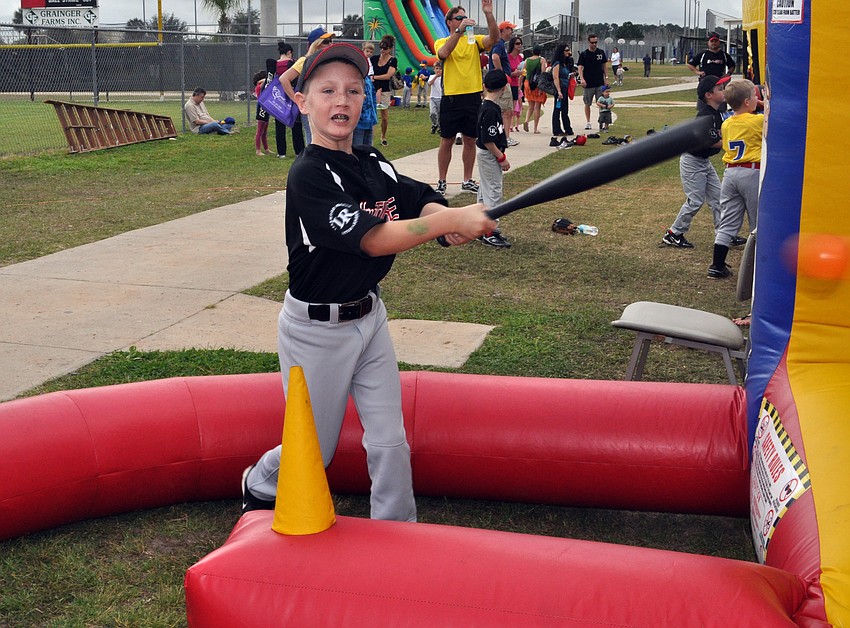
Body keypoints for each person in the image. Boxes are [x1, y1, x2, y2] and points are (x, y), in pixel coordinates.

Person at [240, 43, 497, 522]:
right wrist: (450, 221)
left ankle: (397, 533)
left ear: (365, 101)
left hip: (369, 317)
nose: (342, 101)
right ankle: (259, 483)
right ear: (303, 101)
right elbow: (375, 240)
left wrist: (446, 217)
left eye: (353, 90)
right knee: (316, 449)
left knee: (388, 438)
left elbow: (416, 197)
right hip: (316, 331)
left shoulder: (371, 161)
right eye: (328, 91)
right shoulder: (308, 176)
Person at [432, 0, 500, 196]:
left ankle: (467, 179)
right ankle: (442, 180)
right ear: (450, 22)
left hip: (472, 96)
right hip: (451, 97)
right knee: (447, 140)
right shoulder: (442, 41)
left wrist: (488, 14)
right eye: (459, 18)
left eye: (465, 17)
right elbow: (443, 54)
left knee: (470, 140)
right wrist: (459, 32)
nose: (463, 21)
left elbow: (493, 39)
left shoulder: (474, 40)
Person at [662, 75, 728, 249]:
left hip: (704, 161)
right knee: (695, 200)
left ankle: (724, 234)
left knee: (719, 198)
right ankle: (673, 233)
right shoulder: (705, 116)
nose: (723, 91)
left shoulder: (716, 113)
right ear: (709, 95)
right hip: (692, 161)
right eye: (719, 89)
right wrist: (734, 143)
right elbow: (712, 142)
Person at [708, 79, 763, 279]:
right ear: (748, 102)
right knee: (758, 221)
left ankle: (717, 264)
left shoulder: (727, 123)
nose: (758, 98)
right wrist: (765, 105)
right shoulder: (757, 120)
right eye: (755, 96)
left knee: (728, 221)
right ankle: (759, 270)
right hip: (752, 171)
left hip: (731, 173)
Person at [475, 69, 512, 249]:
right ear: (504, 88)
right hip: (490, 154)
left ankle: (480, 225)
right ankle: (489, 230)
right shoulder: (490, 110)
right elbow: (488, 140)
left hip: (487, 154)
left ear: (484, 86)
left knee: (485, 189)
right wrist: (501, 157)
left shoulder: (489, 106)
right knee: (494, 191)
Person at [281, 27, 335, 146]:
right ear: (316, 45)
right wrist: (296, 100)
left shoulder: (329, 62)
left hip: (327, 106)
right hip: (310, 107)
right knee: (313, 140)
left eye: (331, 41)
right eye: (326, 42)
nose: (330, 44)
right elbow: (284, 79)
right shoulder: (305, 61)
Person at [488, 20, 518, 146]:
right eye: (510, 29)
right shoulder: (499, 44)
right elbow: (495, 57)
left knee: (503, 110)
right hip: (502, 82)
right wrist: (501, 75)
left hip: (501, 81)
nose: (511, 32)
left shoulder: (500, 44)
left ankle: (502, 137)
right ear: (504, 30)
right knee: (506, 111)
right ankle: (505, 138)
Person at [274, 42, 304, 159]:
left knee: (279, 126)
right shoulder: (292, 64)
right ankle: (299, 151)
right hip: (291, 96)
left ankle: (281, 152)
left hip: (278, 97)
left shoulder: (274, 64)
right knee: (296, 124)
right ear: (289, 52)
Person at [577, 34, 609, 131]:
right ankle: (588, 122)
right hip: (588, 84)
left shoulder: (601, 53)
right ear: (588, 42)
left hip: (599, 83)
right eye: (592, 42)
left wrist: (606, 78)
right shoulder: (584, 54)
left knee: (602, 103)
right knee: (587, 103)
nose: (594, 44)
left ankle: (602, 122)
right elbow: (580, 67)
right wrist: (582, 79)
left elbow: (604, 65)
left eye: (596, 42)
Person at [371, 34, 398, 146]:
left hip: (384, 90)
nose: (383, 50)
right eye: (381, 47)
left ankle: (383, 136)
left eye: (385, 48)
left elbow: (388, 75)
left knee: (384, 117)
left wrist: (374, 77)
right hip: (372, 89)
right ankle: (370, 137)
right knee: (371, 114)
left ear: (390, 49)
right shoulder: (374, 59)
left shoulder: (393, 60)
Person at [549, 43, 576, 147]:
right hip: (559, 89)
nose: (568, 52)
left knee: (565, 110)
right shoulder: (557, 64)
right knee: (557, 109)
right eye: (566, 50)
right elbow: (555, 77)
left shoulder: (565, 64)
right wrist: (559, 91)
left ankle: (567, 128)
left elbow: (566, 75)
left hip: (565, 88)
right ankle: (556, 129)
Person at [354, 42, 378, 146]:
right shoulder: (357, 80)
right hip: (359, 120)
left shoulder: (368, 80)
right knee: (358, 146)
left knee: (368, 146)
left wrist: (373, 116)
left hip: (369, 119)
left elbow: (372, 99)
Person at [522, 46, 547, 134]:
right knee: (537, 107)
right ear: (540, 52)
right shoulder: (541, 60)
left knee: (530, 105)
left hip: (528, 83)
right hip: (537, 84)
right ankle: (535, 128)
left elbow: (524, 72)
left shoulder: (527, 60)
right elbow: (543, 73)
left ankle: (526, 120)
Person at [252, 71, 274, 156]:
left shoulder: (264, 84)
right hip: (261, 107)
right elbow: (265, 83)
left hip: (266, 107)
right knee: (260, 131)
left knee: (265, 131)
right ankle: (258, 150)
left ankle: (266, 149)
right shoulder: (260, 85)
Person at [507, 36, 524, 133]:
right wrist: (514, 73)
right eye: (517, 43)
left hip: (515, 84)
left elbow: (521, 70)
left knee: (513, 107)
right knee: (507, 107)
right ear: (512, 45)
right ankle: (507, 126)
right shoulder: (508, 57)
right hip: (508, 83)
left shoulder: (520, 58)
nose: (519, 45)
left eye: (520, 43)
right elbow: (505, 71)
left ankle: (511, 126)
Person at [428, 61, 443, 134]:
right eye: (436, 68)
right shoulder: (432, 76)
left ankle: (440, 127)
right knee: (432, 113)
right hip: (433, 98)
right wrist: (436, 76)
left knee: (440, 113)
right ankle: (434, 124)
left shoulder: (444, 78)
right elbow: (430, 83)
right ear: (434, 69)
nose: (438, 70)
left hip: (441, 98)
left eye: (440, 69)